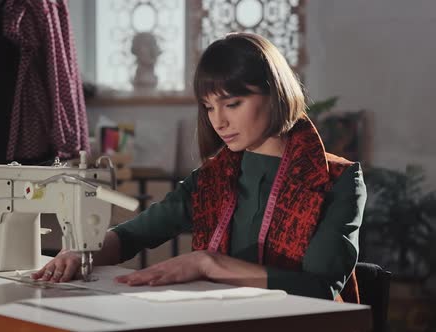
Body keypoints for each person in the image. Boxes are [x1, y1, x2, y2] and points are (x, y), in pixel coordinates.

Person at [32, 32, 367, 302]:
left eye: (233, 103)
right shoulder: (214, 179)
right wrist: (82, 251)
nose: (219, 120)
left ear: (275, 92)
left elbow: (319, 289)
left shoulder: (338, 180)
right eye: (209, 107)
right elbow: (134, 234)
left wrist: (208, 263)